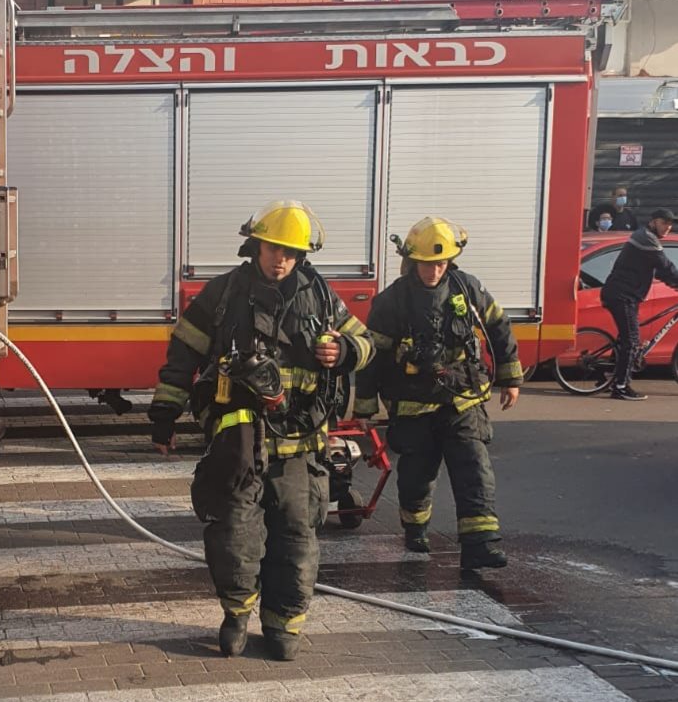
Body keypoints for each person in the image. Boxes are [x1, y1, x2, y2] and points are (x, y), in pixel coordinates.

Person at [147, 200, 372, 660]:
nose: (281, 259)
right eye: (273, 248)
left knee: (295, 536)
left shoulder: (321, 296)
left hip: (299, 444)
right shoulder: (224, 294)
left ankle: (283, 624)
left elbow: (365, 342)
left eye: (290, 252)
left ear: (302, 256)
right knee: (234, 535)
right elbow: (183, 354)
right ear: (256, 246)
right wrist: (163, 417)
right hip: (238, 443)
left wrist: (344, 350)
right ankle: (236, 614)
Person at [353, 217, 521, 571]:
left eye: (440, 263)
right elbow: (374, 355)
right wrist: (364, 405)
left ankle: (480, 543)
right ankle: (415, 528)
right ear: (412, 260)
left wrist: (511, 377)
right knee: (417, 473)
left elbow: (498, 326)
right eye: (427, 264)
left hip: (463, 397)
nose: (433, 271)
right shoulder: (392, 301)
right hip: (413, 402)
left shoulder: (468, 289)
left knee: (474, 467)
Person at [599, 207, 678, 401]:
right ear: (653, 222)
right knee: (632, 341)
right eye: (664, 223)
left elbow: (659, 272)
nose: (668, 227)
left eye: (670, 224)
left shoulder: (646, 238)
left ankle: (611, 376)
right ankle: (621, 386)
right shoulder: (646, 239)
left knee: (627, 337)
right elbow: (665, 266)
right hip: (622, 295)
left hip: (625, 294)